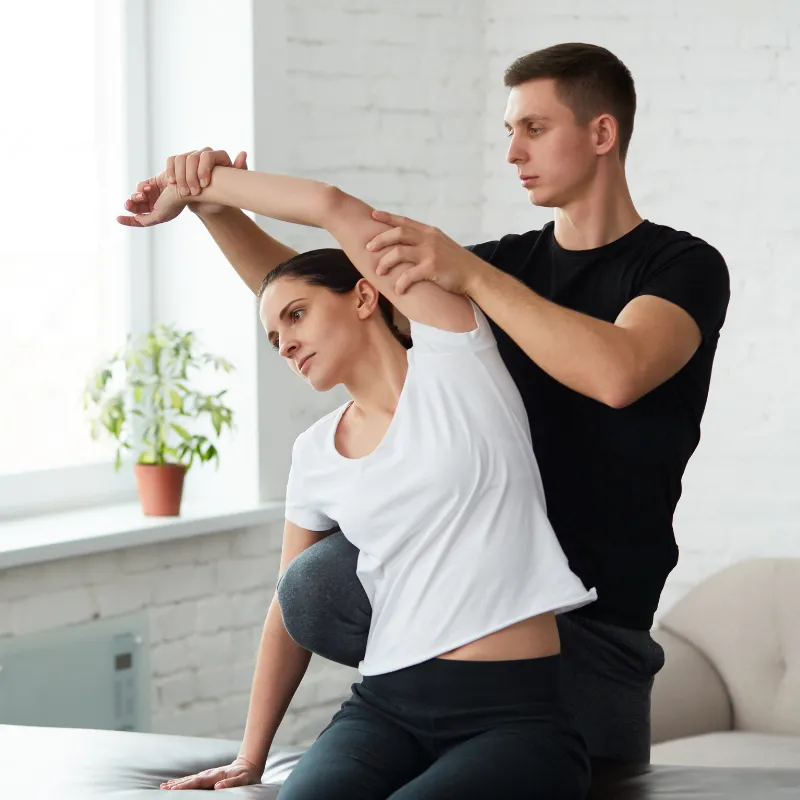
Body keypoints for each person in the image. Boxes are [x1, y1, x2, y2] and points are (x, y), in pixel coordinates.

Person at [125, 41, 730, 776]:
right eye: (508, 131)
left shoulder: (679, 265)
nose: (512, 152)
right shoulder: (501, 264)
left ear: (601, 133)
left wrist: (469, 275)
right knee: (311, 582)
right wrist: (216, 209)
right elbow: (328, 305)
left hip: (596, 627)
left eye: (534, 128)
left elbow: (618, 373)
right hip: (459, 606)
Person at [123, 157, 598, 797]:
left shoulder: (457, 362)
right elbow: (286, 606)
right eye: (273, 337)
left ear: (366, 295)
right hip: (385, 708)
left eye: (296, 315)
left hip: (513, 716)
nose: (286, 344)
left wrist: (196, 185)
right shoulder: (315, 452)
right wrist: (250, 757)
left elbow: (333, 206)